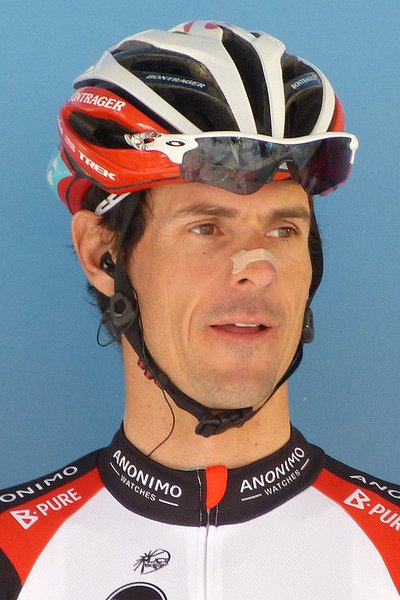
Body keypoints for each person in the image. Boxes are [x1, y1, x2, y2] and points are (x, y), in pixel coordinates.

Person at [0, 20, 398, 599]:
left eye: (284, 229)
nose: (257, 267)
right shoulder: (12, 556)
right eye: (207, 227)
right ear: (102, 254)